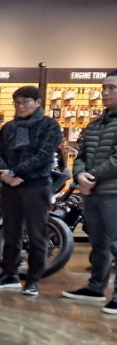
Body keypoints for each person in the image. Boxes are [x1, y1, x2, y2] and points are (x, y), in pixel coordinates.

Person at [0, 86, 62, 296]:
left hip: (36, 186)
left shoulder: (50, 126)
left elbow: (44, 156)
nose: (20, 106)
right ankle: (9, 275)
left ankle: (33, 280)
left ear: (38, 103)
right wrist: (5, 173)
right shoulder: (8, 127)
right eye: (17, 102)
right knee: (11, 232)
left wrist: (17, 172)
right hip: (9, 185)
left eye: (25, 102)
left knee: (37, 235)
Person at [62, 70, 117, 316]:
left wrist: (91, 177)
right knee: (99, 243)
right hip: (93, 193)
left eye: (112, 88)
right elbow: (80, 155)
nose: (105, 92)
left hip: (112, 192)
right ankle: (96, 288)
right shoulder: (95, 124)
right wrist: (80, 176)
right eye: (104, 87)